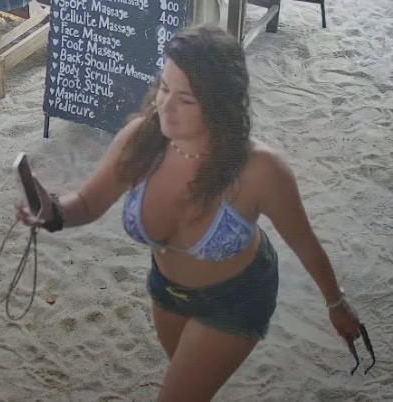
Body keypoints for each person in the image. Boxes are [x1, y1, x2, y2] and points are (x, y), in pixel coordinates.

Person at [18, 25, 362, 402]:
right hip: (166, 292)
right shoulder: (141, 140)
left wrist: (336, 304)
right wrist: (53, 211)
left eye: (186, 99)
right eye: (164, 88)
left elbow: (306, 244)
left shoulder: (261, 170)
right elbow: (87, 203)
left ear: (220, 105)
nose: (165, 107)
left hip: (237, 298)